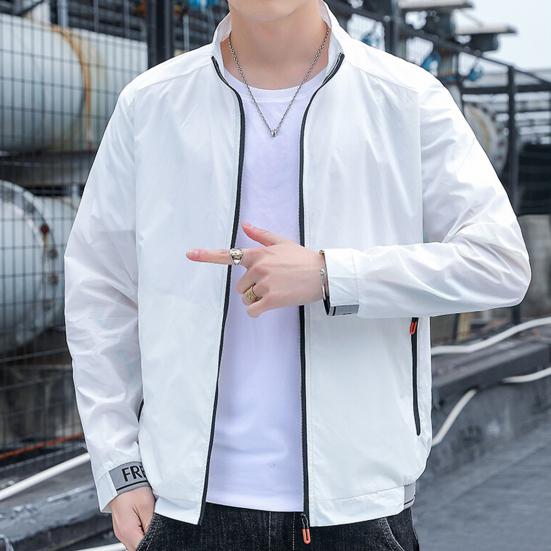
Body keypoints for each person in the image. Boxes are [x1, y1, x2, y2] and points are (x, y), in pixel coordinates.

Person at [63, 0, 532, 549]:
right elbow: (100, 290)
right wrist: (118, 468)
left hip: (358, 510)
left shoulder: (405, 97)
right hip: (183, 510)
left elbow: (498, 262)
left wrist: (331, 275)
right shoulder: (152, 103)